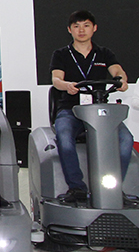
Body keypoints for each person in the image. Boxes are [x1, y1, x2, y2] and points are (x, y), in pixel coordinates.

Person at [50, 10, 133, 202]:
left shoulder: (104, 53)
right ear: (70, 30)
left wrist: (121, 80)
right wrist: (67, 85)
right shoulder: (61, 54)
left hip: (99, 110)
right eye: (76, 26)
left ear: (94, 28)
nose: (81, 30)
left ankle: (113, 187)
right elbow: (56, 79)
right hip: (71, 109)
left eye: (86, 25)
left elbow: (118, 71)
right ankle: (76, 187)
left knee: (126, 139)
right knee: (64, 137)